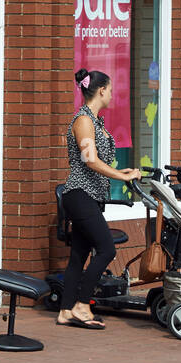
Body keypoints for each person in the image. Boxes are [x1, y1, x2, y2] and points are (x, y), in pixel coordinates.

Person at [58, 68, 141, 330]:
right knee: (107, 249)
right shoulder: (83, 120)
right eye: (111, 89)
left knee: (78, 256)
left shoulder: (96, 120)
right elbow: (89, 159)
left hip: (91, 196)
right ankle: (82, 305)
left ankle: (65, 310)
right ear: (102, 90)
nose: (113, 94)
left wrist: (121, 172)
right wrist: (121, 177)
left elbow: (98, 159)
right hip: (79, 194)